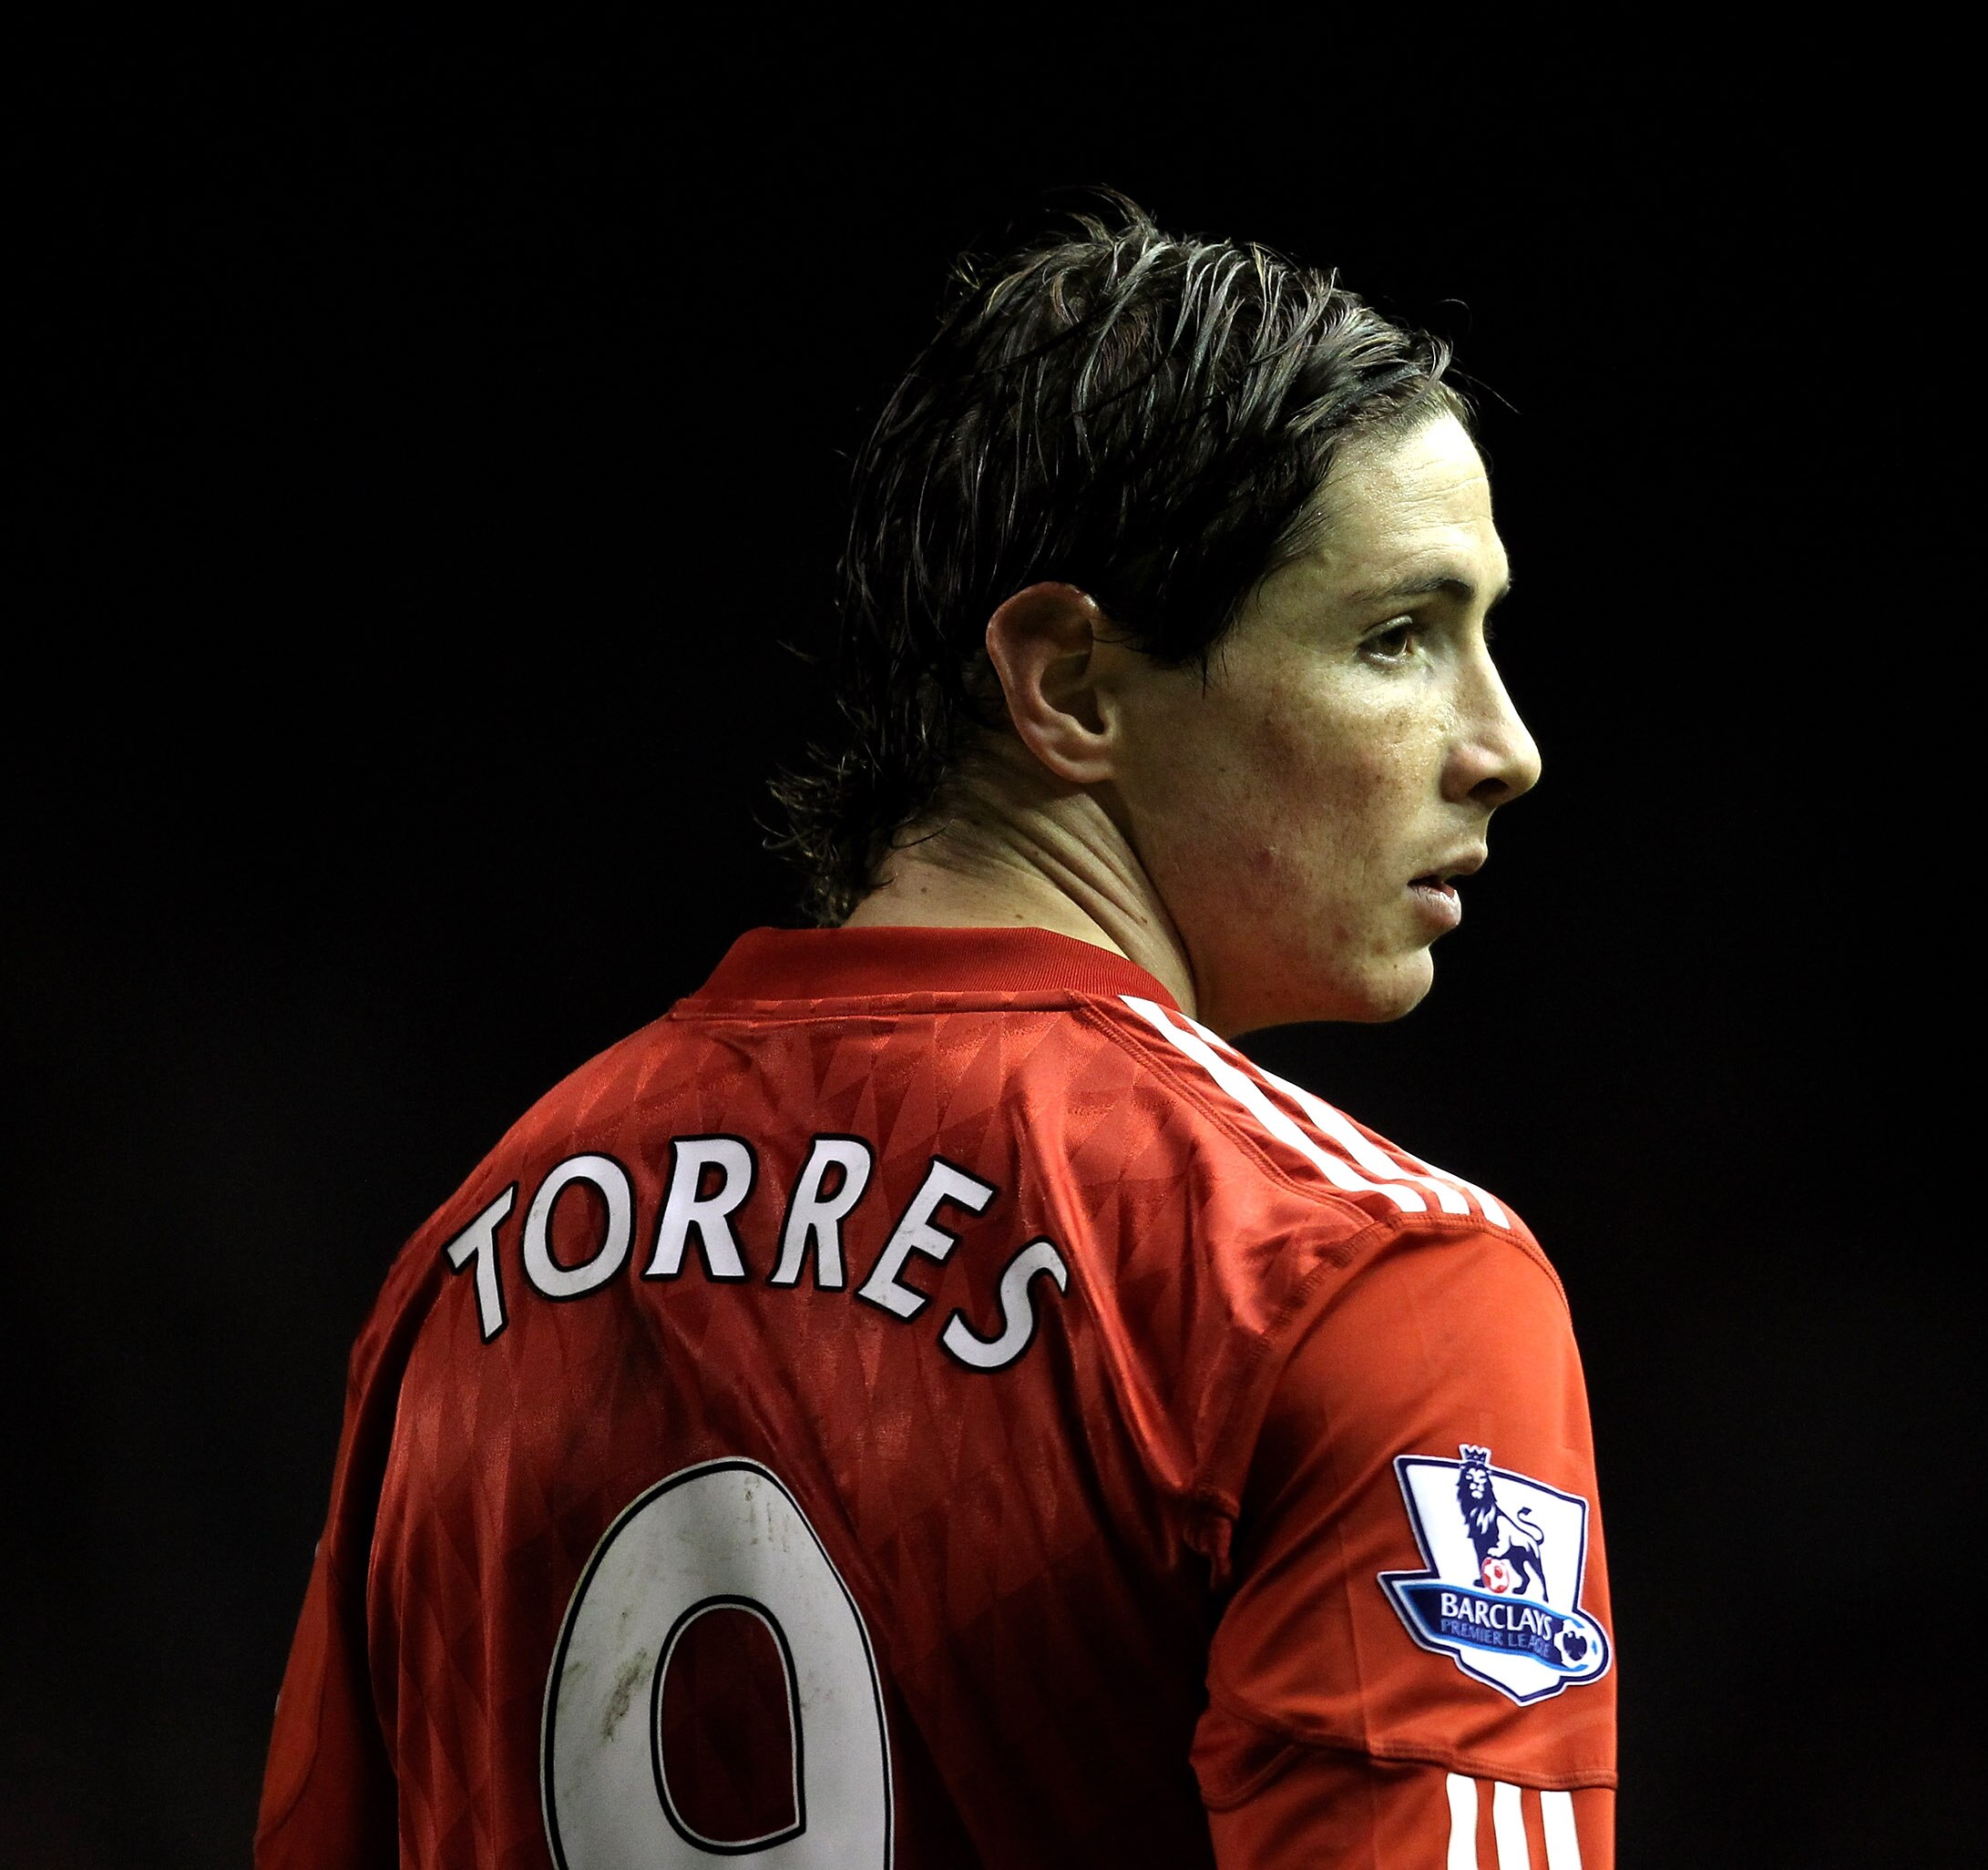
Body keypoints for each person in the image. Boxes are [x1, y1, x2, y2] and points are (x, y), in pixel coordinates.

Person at [257, 199, 1614, 1869]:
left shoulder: (468, 1262)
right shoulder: (1359, 1276)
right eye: (1395, 638)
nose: (1507, 744)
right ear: (1071, 683)